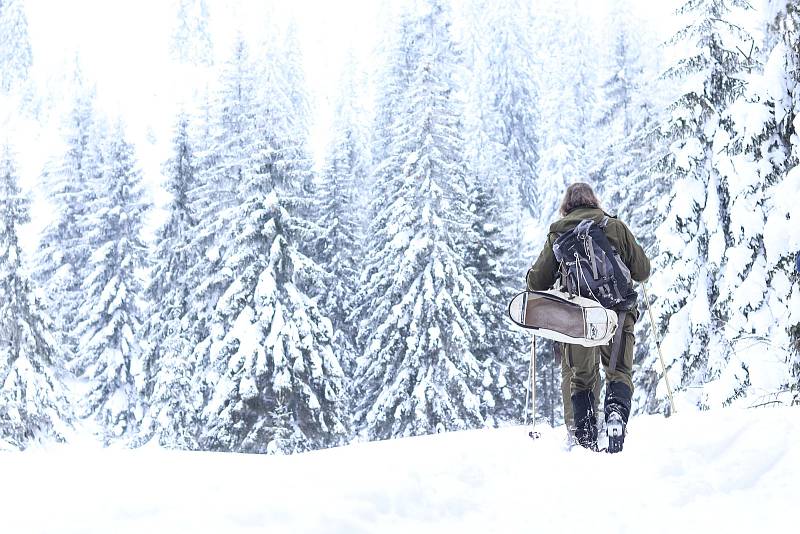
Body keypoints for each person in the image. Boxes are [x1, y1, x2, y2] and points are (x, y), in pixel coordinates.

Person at [526, 183, 650, 453]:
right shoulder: (614, 226)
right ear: (594, 201)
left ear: (566, 206)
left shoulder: (559, 232)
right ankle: (616, 416)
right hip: (618, 312)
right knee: (618, 371)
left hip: (580, 318)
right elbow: (642, 271)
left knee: (582, 378)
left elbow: (536, 283)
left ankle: (584, 436)